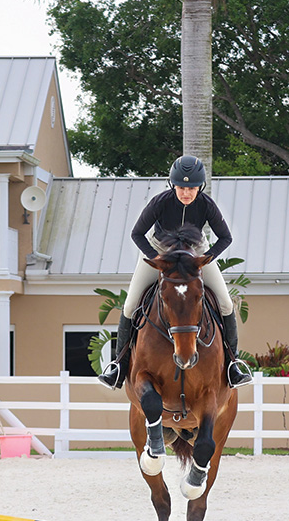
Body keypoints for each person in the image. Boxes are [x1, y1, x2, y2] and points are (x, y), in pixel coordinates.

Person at [98, 155, 253, 389]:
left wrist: (204, 259)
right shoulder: (160, 202)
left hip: (195, 254)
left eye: (191, 188)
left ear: (199, 187)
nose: (186, 193)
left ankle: (233, 365)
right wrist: (157, 258)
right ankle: (118, 366)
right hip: (160, 252)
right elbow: (137, 233)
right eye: (181, 187)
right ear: (173, 185)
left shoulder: (206, 204)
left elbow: (226, 237)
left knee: (226, 304)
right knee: (130, 306)